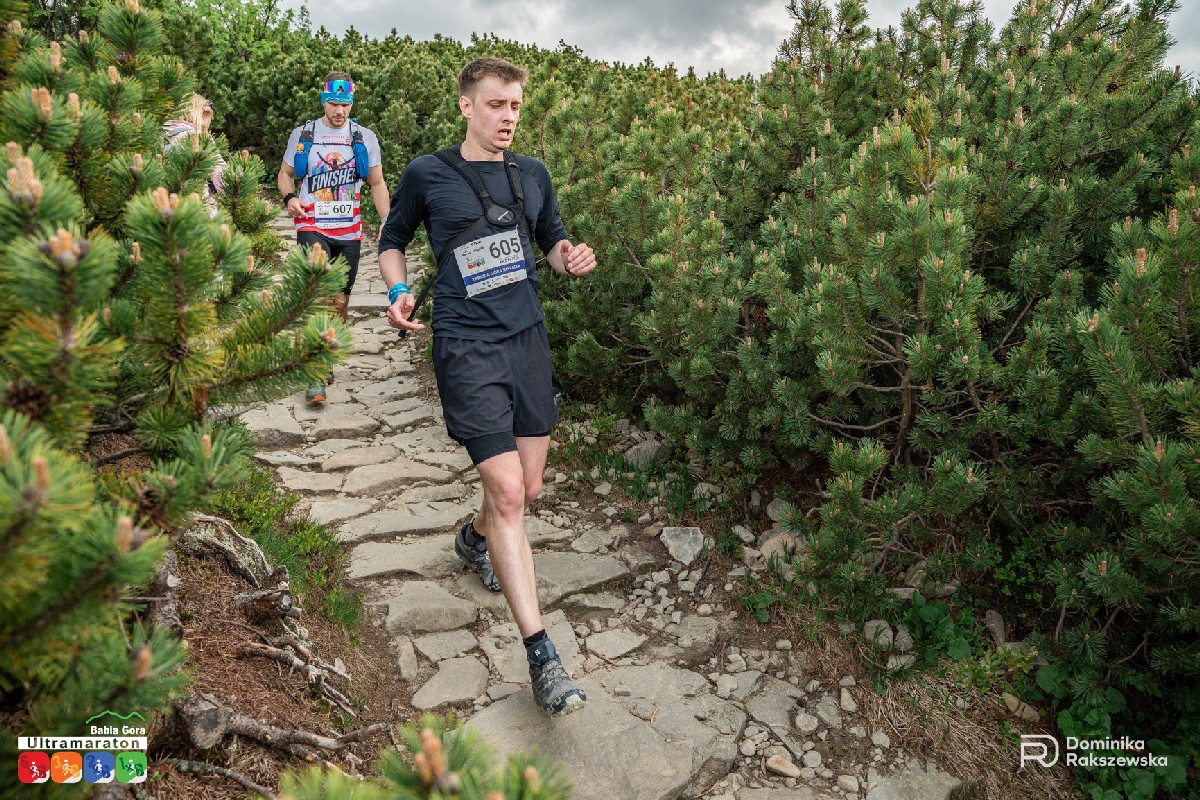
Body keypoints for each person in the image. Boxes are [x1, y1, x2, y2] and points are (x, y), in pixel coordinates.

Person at [379, 57, 597, 717]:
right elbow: (392, 238)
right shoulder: (427, 173)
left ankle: (475, 539)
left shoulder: (532, 174)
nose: (508, 117)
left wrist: (571, 258)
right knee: (507, 493)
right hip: (465, 346)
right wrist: (397, 289)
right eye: (497, 104)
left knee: (526, 490)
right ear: (467, 105)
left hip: (527, 342)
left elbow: (552, 240)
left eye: (516, 106)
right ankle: (542, 657)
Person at [277, 72, 390, 403]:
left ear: (352, 102)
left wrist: (387, 219)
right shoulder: (305, 134)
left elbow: (377, 183)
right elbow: (285, 174)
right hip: (311, 223)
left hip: (349, 229)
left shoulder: (364, 137)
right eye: (333, 104)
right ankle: (314, 372)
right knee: (319, 291)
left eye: (345, 104)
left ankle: (324, 356)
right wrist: (289, 198)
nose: (339, 111)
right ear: (323, 101)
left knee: (339, 301)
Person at [162, 93, 226, 218]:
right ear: (203, 114)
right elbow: (220, 172)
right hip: (196, 203)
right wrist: (237, 192)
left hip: (162, 203)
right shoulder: (198, 136)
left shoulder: (158, 135)